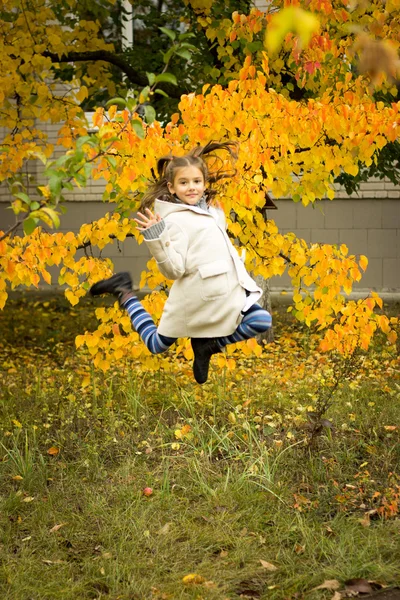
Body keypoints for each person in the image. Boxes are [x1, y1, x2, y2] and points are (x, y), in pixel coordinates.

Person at [90, 141, 272, 384]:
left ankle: (208, 346)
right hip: (196, 298)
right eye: (183, 183)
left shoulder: (211, 211)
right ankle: (124, 291)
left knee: (261, 320)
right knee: (156, 345)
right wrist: (157, 237)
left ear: (205, 184)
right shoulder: (174, 221)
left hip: (225, 291)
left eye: (196, 181)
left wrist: (218, 218)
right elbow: (173, 270)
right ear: (172, 188)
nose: (191, 187)